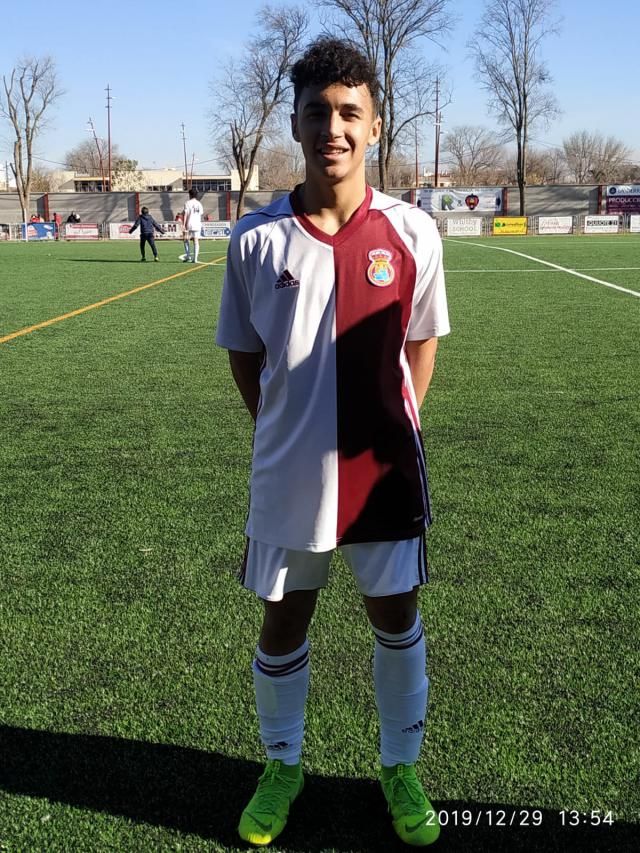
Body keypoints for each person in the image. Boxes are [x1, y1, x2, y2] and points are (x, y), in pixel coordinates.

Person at [215, 38, 450, 848]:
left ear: (375, 126)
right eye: (318, 112)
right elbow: (247, 357)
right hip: (288, 477)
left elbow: (421, 344)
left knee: (396, 618)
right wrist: (287, 426)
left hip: (382, 475)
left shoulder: (415, 232)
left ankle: (400, 766)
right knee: (284, 624)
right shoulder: (254, 241)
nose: (333, 128)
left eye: (350, 112)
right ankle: (282, 764)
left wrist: (395, 419)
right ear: (295, 123)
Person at [182, 187, 203, 262]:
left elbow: (185, 214)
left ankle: (188, 256)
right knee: (196, 241)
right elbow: (200, 214)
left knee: (186, 240)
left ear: (190, 195)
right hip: (197, 224)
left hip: (189, 224)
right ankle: (195, 259)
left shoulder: (187, 203)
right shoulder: (199, 203)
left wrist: (183, 224)